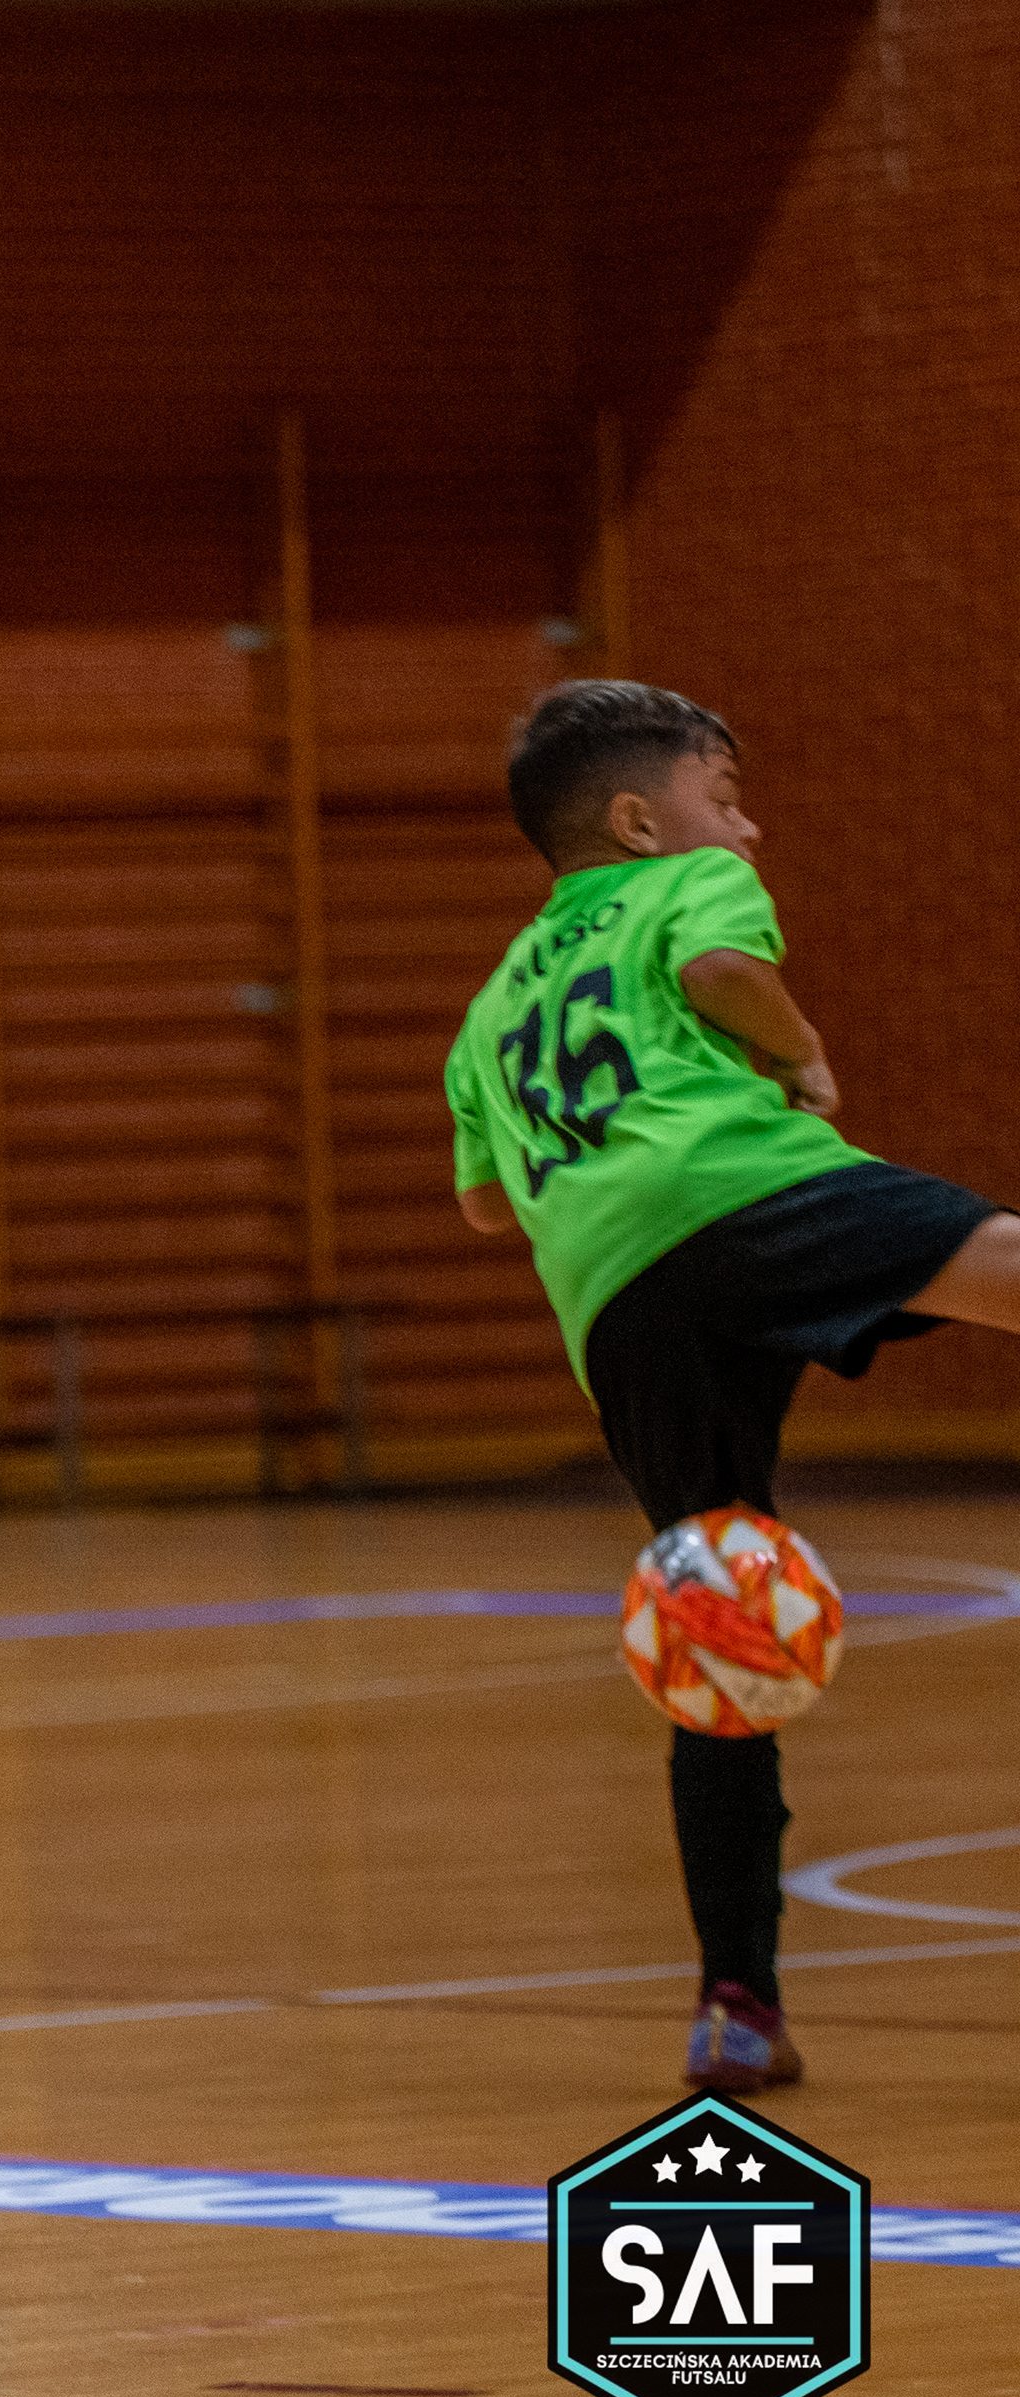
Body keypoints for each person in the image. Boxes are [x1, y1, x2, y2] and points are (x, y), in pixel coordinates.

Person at [446, 678, 1020, 2095]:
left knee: (717, 1632)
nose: (747, 829)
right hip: (735, 1186)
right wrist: (797, 1049)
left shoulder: (492, 1006)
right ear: (642, 821)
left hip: (616, 1298)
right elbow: (718, 972)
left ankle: (736, 2003)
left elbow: (484, 1204)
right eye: (726, 796)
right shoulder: (686, 886)